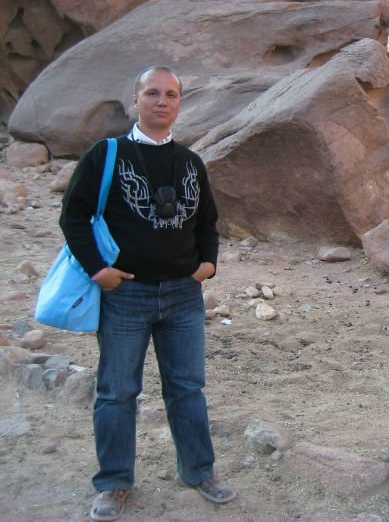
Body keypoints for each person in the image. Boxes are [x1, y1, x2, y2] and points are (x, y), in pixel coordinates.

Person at [60, 66, 235, 521]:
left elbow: (207, 222)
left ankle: (198, 471)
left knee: (188, 388)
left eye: (171, 94)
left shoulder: (190, 162)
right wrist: (98, 270)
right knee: (117, 392)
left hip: (183, 296)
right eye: (152, 93)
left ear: (179, 103)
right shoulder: (107, 155)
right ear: (135, 100)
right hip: (126, 296)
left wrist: (208, 265)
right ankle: (114, 483)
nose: (162, 101)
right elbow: (73, 216)